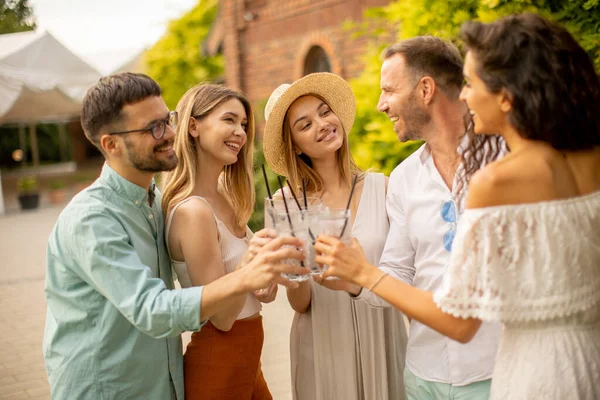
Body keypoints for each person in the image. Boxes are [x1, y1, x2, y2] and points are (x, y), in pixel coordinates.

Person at [315, 13, 600, 400]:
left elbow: (459, 321)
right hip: (584, 363)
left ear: (505, 94)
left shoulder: (497, 177)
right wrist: (352, 278)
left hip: (518, 371)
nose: (464, 95)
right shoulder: (587, 159)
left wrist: (364, 271)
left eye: (472, 83)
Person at [43, 72, 306, 400]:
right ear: (111, 144)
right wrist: (247, 276)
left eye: (166, 120)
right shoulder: (92, 219)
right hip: (107, 389)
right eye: (153, 128)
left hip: (163, 383)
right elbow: (151, 309)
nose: (169, 133)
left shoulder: (154, 203)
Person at [353, 36, 503, 399]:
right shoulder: (404, 178)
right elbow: (399, 270)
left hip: (499, 372)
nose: (380, 104)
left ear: (425, 89)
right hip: (424, 377)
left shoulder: (507, 156)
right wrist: (352, 277)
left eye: (389, 90)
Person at [262, 72, 408, 400]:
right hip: (323, 342)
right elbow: (300, 305)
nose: (322, 123)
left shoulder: (383, 188)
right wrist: (294, 270)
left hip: (382, 336)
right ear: (295, 146)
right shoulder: (284, 205)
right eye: (304, 124)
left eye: (324, 111)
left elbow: (404, 276)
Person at [161, 83, 279, 399]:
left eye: (243, 124)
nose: (240, 132)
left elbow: (245, 285)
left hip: (247, 362)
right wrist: (251, 263)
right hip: (219, 362)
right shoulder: (193, 210)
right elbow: (222, 318)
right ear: (194, 126)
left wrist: (265, 281)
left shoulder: (224, 197)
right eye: (229, 120)